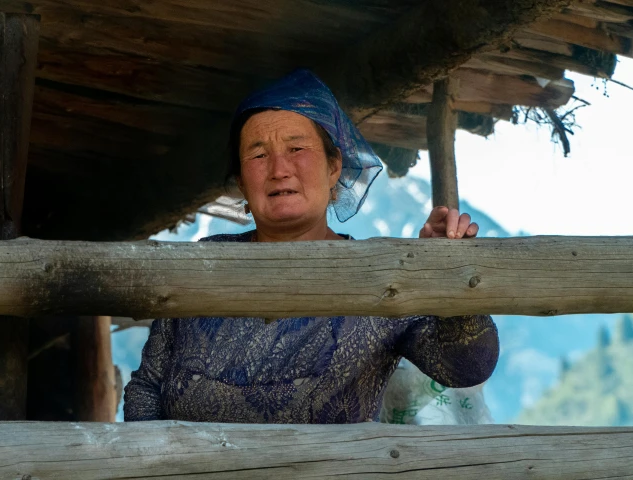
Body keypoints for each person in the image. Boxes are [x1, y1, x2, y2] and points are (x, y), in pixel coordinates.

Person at [124, 69, 499, 424]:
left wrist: (446, 275)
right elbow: (147, 386)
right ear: (240, 180)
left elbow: (464, 367)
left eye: (296, 148)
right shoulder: (203, 263)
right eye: (258, 154)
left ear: (334, 166)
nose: (279, 169)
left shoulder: (380, 272)